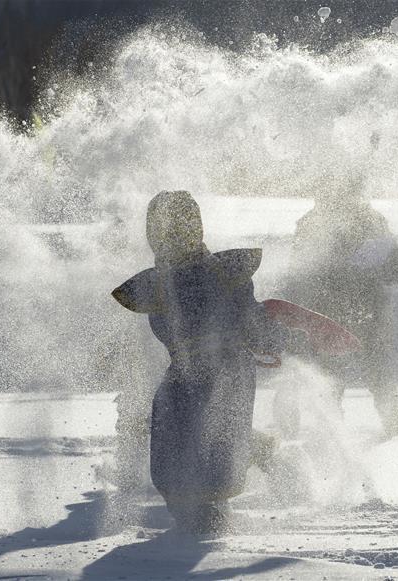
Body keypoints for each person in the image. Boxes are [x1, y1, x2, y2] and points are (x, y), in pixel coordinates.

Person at [111, 190, 288, 535]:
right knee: (172, 433)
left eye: (178, 226)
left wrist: (269, 336)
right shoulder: (157, 283)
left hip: (227, 370)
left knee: (216, 445)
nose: (172, 234)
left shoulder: (224, 273)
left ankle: (215, 508)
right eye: (164, 228)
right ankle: (253, 453)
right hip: (183, 374)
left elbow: (249, 320)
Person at [283, 186, 398, 436]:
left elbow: (396, 269)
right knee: (337, 377)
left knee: (371, 374)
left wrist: (387, 260)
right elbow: (298, 273)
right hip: (336, 313)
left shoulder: (370, 221)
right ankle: (338, 435)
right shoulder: (314, 223)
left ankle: (390, 430)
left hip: (363, 311)